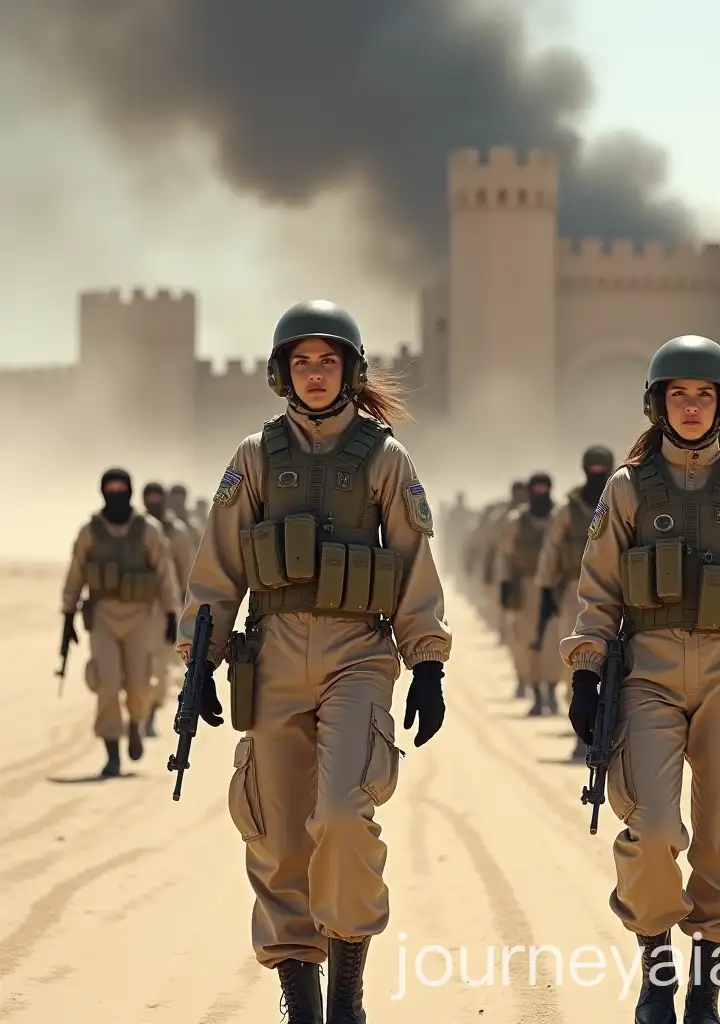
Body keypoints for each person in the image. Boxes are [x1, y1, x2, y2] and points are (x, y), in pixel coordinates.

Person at [175, 300, 451, 1022]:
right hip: (269, 655)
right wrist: (201, 661)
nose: (316, 373)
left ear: (351, 372)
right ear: (282, 374)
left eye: (329, 361)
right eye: (302, 362)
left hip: (358, 653)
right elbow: (218, 567)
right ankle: (299, 996)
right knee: (274, 830)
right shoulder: (254, 457)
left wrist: (427, 663)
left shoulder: (386, 458)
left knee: (344, 814)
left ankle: (346, 994)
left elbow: (415, 562)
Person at [561, 335, 720, 1023]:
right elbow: (598, 592)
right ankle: (657, 974)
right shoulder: (626, 488)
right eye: (679, 394)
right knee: (648, 827)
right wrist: (585, 674)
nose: (692, 407)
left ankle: (704, 992)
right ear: (657, 404)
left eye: (705, 395)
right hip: (648, 668)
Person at [60, 468, 181, 777]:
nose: (115, 494)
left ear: (129, 491)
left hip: (141, 616)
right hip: (103, 616)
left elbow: (165, 573)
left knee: (139, 685)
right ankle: (112, 752)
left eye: (120, 488)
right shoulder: (90, 532)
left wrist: (172, 614)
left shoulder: (148, 530)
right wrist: (68, 616)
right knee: (108, 683)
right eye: (110, 488)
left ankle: (136, 722)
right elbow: (75, 574)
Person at [534, 445, 616, 757]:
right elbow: (551, 549)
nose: (596, 473)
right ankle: (582, 731)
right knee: (580, 658)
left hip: (620, 591)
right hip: (575, 591)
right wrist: (545, 589)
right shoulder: (569, 510)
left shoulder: (622, 498)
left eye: (601, 468)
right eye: (592, 467)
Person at [498, 472, 562, 716]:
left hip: (554, 588)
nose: (541, 492)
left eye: (545, 487)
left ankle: (552, 690)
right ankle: (536, 692)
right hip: (526, 589)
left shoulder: (559, 516)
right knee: (528, 642)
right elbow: (506, 555)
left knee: (554, 642)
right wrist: (505, 585)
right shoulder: (517, 520)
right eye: (537, 487)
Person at [140, 481, 196, 736]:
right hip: (138, 606)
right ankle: (138, 713)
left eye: (156, 497)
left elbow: (186, 570)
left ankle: (151, 712)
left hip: (166, 607)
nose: (153, 502)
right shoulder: (137, 527)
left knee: (160, 666)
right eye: (148, 497)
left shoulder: (178, 532)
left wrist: (184, 607)